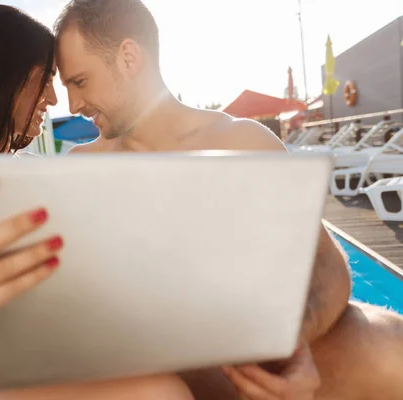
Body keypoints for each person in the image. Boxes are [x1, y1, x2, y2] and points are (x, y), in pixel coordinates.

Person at [54, 0, 403, 399]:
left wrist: (286, 346)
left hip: (245, 366)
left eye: (79, 82)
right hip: (154, 381)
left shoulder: (240, 142)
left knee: (390, 350)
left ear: (129, 56)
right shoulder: (80, 171)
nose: (73, 106)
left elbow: (324, 265)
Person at [0, 4, 195, 400]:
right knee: (162, 392)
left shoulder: (28, 171)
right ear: (1, 77)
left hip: (55, 375)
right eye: (44, 79)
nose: (52, 98)